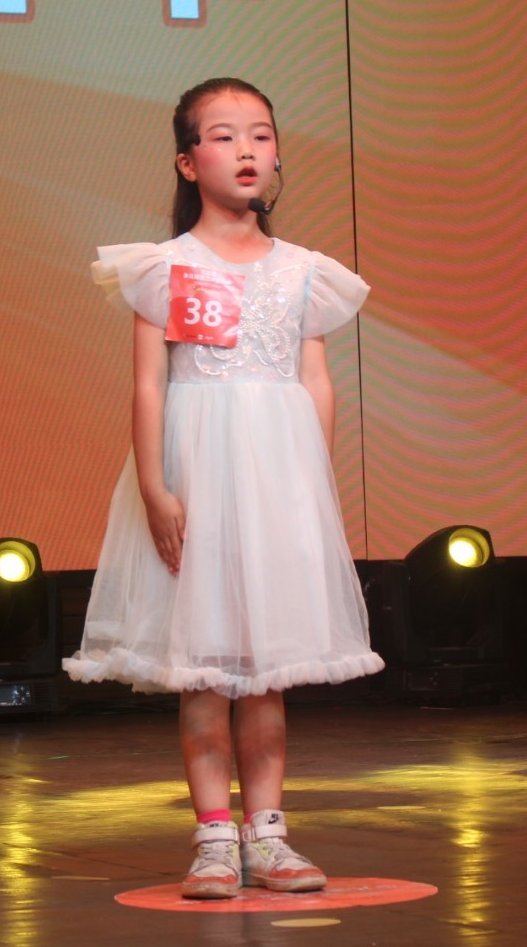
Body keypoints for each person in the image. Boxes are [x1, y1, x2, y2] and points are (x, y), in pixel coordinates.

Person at [64, 78, 384, 899]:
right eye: (224, 135)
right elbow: (148, 386)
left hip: (276, 484)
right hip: (199, 480)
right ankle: (213, 840)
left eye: (261, 135)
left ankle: (268, 838)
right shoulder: (164, 267)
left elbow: (315, 383)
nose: (247, 150)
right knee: (205, 671)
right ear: (187, 160)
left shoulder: (305, 272)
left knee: (265, 674)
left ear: (276, 157)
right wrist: (154, 487)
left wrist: (308, 486)